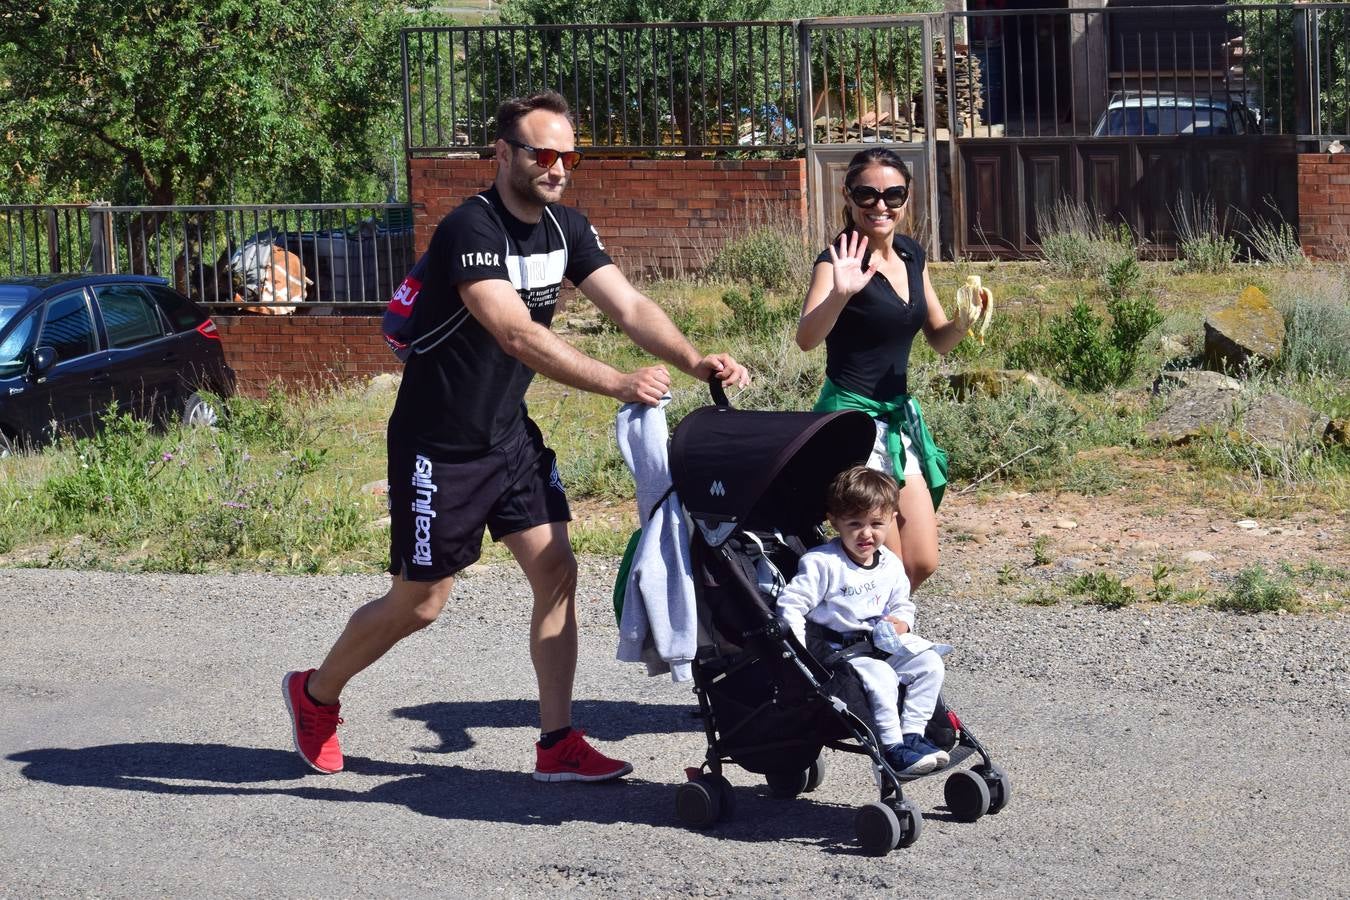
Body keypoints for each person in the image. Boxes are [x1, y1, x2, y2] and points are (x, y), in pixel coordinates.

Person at [282, 90, 749, 783]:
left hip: (509, 437)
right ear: (503, 154)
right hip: (437, 446)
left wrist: (692, 359)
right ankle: (315, 695)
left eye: (569, 155)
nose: (558, 166)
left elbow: (630, 304)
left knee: (557, 570)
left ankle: (556, 741)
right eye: (543, 153)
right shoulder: (470, 230)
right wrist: (619, 383)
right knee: (422, 601)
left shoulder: (567, 229)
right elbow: (514, 332)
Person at [796, 147, 989, 591]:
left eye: (892, 195)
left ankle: (869, 629)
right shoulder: (836, 261)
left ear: (906, 197)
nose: (880, 206)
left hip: (898, 419)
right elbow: (807, 338)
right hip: (852, 422)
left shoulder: (911, 254)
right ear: (848, 196)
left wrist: (965, 321)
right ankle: (871, 643)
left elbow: (939, 337)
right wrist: (841, 293)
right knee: (886, 563)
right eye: (867, 194)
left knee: (920, 561)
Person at [775, 466, 951, 777]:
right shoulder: (823, 563)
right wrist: (799, 649)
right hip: (840, 652)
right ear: (835, 522)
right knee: (883, 676)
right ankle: (891, 749)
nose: (866, 534)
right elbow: (792, 605)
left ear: (892, 520)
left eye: (876, 524)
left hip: (881, 642)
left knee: (930, 665)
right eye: (855, 524)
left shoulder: (889, 563)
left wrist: (902, 623)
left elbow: (902, 602)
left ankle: (913, 734)